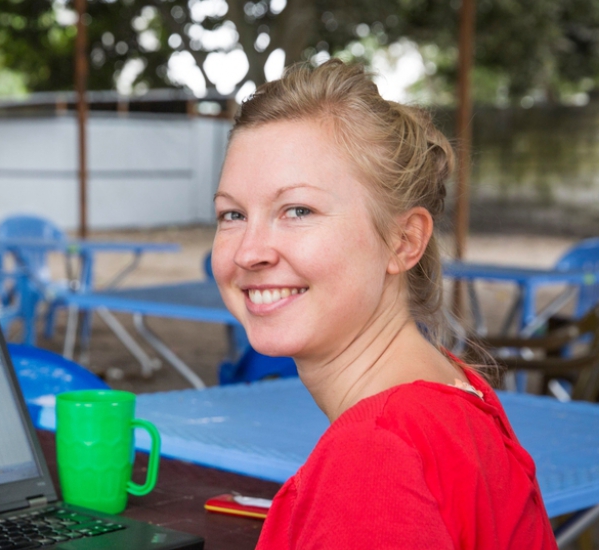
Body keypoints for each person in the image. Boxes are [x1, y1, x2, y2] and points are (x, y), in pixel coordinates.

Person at [211, 60, 556, 549]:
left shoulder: (375, 457)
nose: (249, 251)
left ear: (402, 241)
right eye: (232, 214)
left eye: (298, 210)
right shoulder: (449, 389)